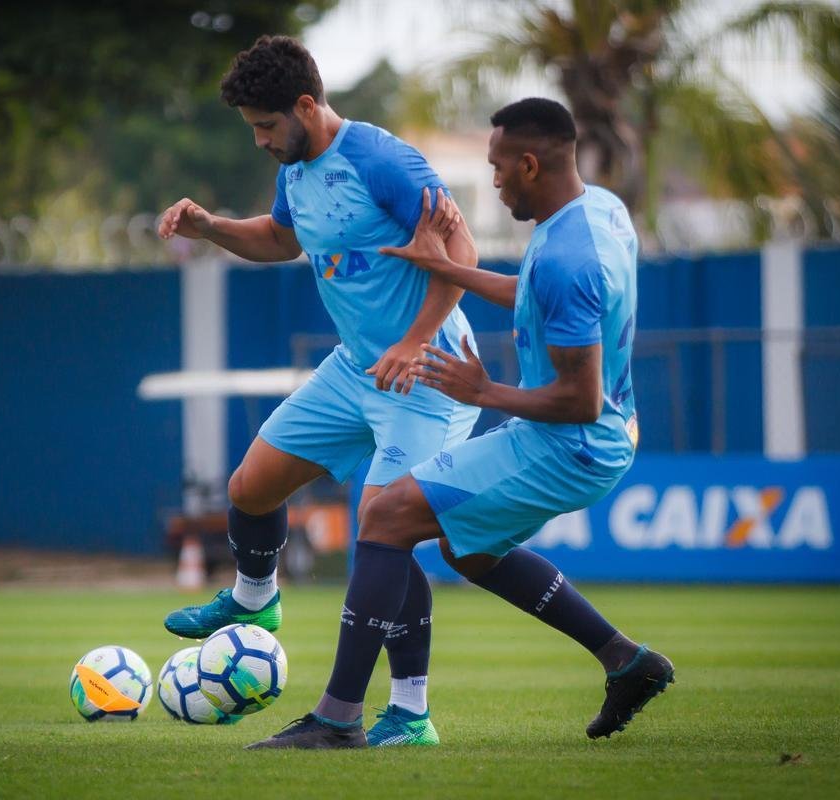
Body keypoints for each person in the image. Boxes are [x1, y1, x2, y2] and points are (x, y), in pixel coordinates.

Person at [247, 98, 674, 750]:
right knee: (468, 550)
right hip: (592, 435)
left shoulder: (568, 258)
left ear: (529, 164)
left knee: (385, 518)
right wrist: (447, 269)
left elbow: (580, 400)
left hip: (573, 442)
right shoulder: (598, 214)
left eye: (499, 168)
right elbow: (533, 291)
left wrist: (487, 390)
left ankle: (337, 719)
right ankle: (625, 660)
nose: (493, 181)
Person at [156, 34, 481, 747]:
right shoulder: (295, 167)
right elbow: (281, 240)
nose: (261, 142)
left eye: (267, 127)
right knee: (250, 487)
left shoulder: (384, 162)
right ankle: (255, 599)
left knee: (381, 530)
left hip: (427, 375)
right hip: (357, 366)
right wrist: (211, 227)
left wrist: (414, 340)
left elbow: (464, 257)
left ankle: (392, 714)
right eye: (253, 130)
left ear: (307, 105)